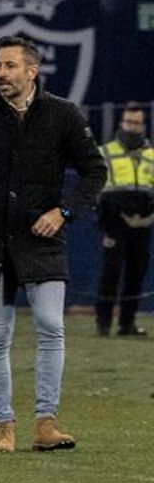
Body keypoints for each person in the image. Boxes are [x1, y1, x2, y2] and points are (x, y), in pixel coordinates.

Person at [0, 35, 106, 453]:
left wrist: (62, 212)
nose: (1, 74)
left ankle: (46, 423)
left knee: (51, 326)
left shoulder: (63, 114)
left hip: (42, 239)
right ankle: (3, 426)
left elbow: (94, 172)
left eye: (10, 66)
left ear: (32, 71)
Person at [95, 104, 154, 337]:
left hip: (144, 224)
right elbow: (95, 192)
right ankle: (103, 323)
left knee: (136, 275)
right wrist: (108, 222)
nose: (132, 127)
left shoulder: (151, 156)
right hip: (115, 224)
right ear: (121, 123)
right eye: (128, 122)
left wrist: (147, 215)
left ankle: (127, 324)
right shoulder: (105, 152)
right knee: (110, 274)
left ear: (144, 125)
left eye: (137, 123)